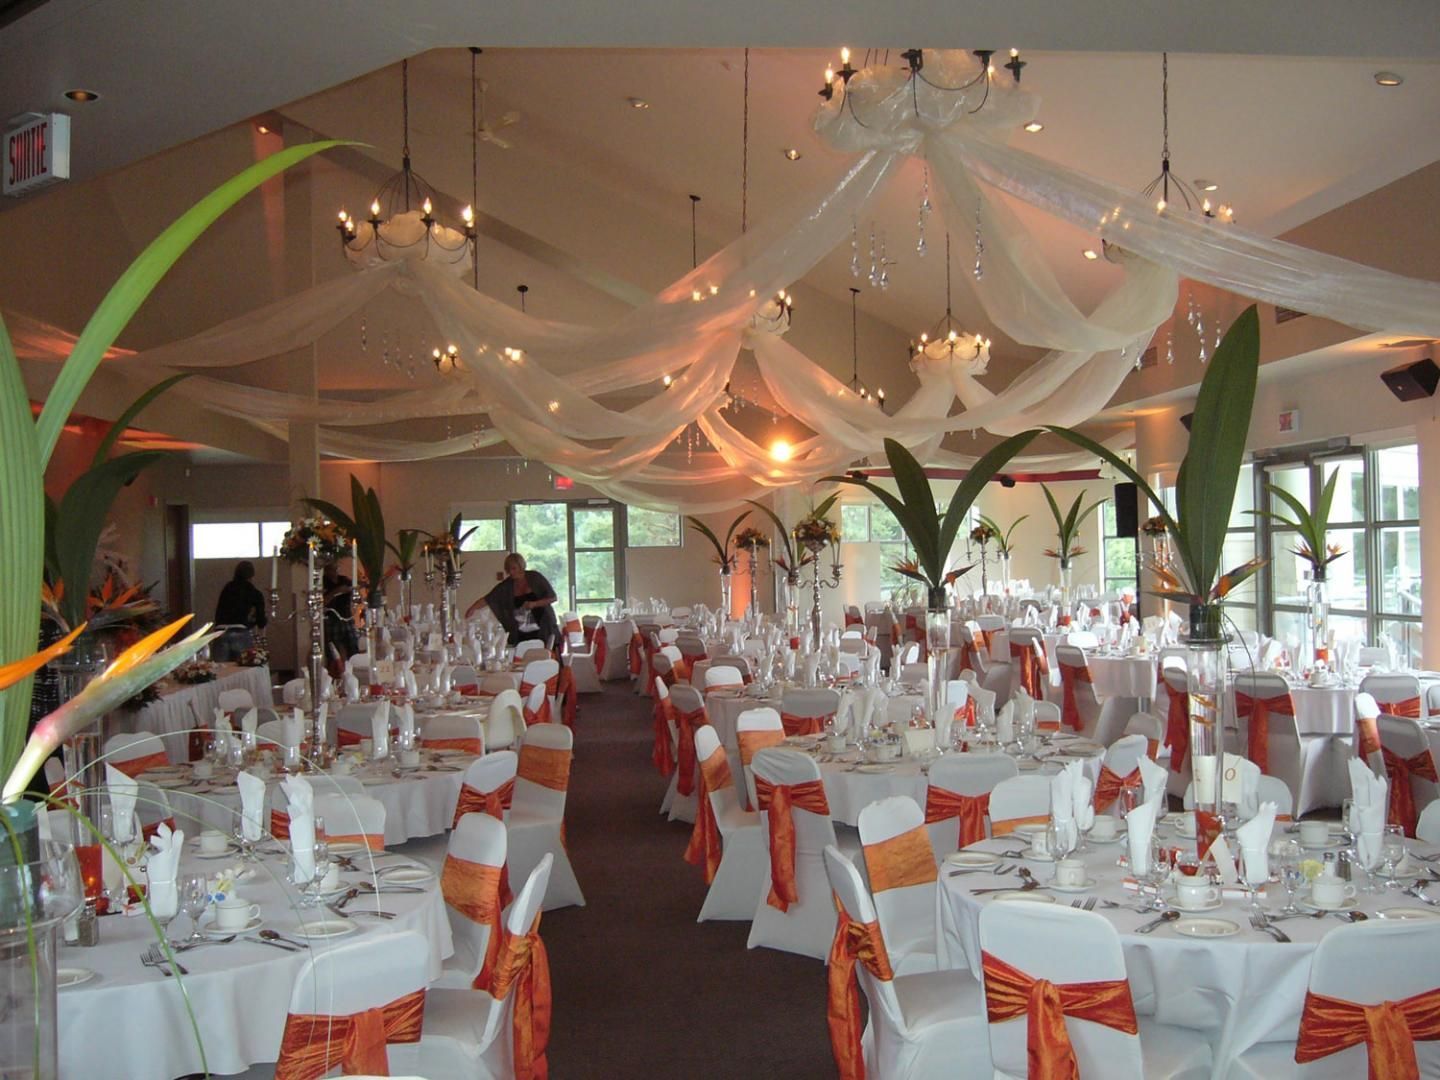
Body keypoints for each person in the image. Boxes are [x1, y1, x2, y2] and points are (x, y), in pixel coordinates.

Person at [472, 552, 559, 647]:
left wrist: (535, 604)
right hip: (522, 632)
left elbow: (553, 597)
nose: (511, 572)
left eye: (514, 568)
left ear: (521, 566)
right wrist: (472, 609)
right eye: (508, 569)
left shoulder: (535, 577)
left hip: (544, 627)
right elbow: (488, 598)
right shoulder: (506, 586)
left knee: (546, 658)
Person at [212, 560, 267, 660]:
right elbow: (261, 621)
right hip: (240, 631)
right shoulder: (253, 591)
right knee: (242, 668)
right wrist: (253, 622)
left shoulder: (227, 588)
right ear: (252, 575)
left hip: (220, 632)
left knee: (220, 671)